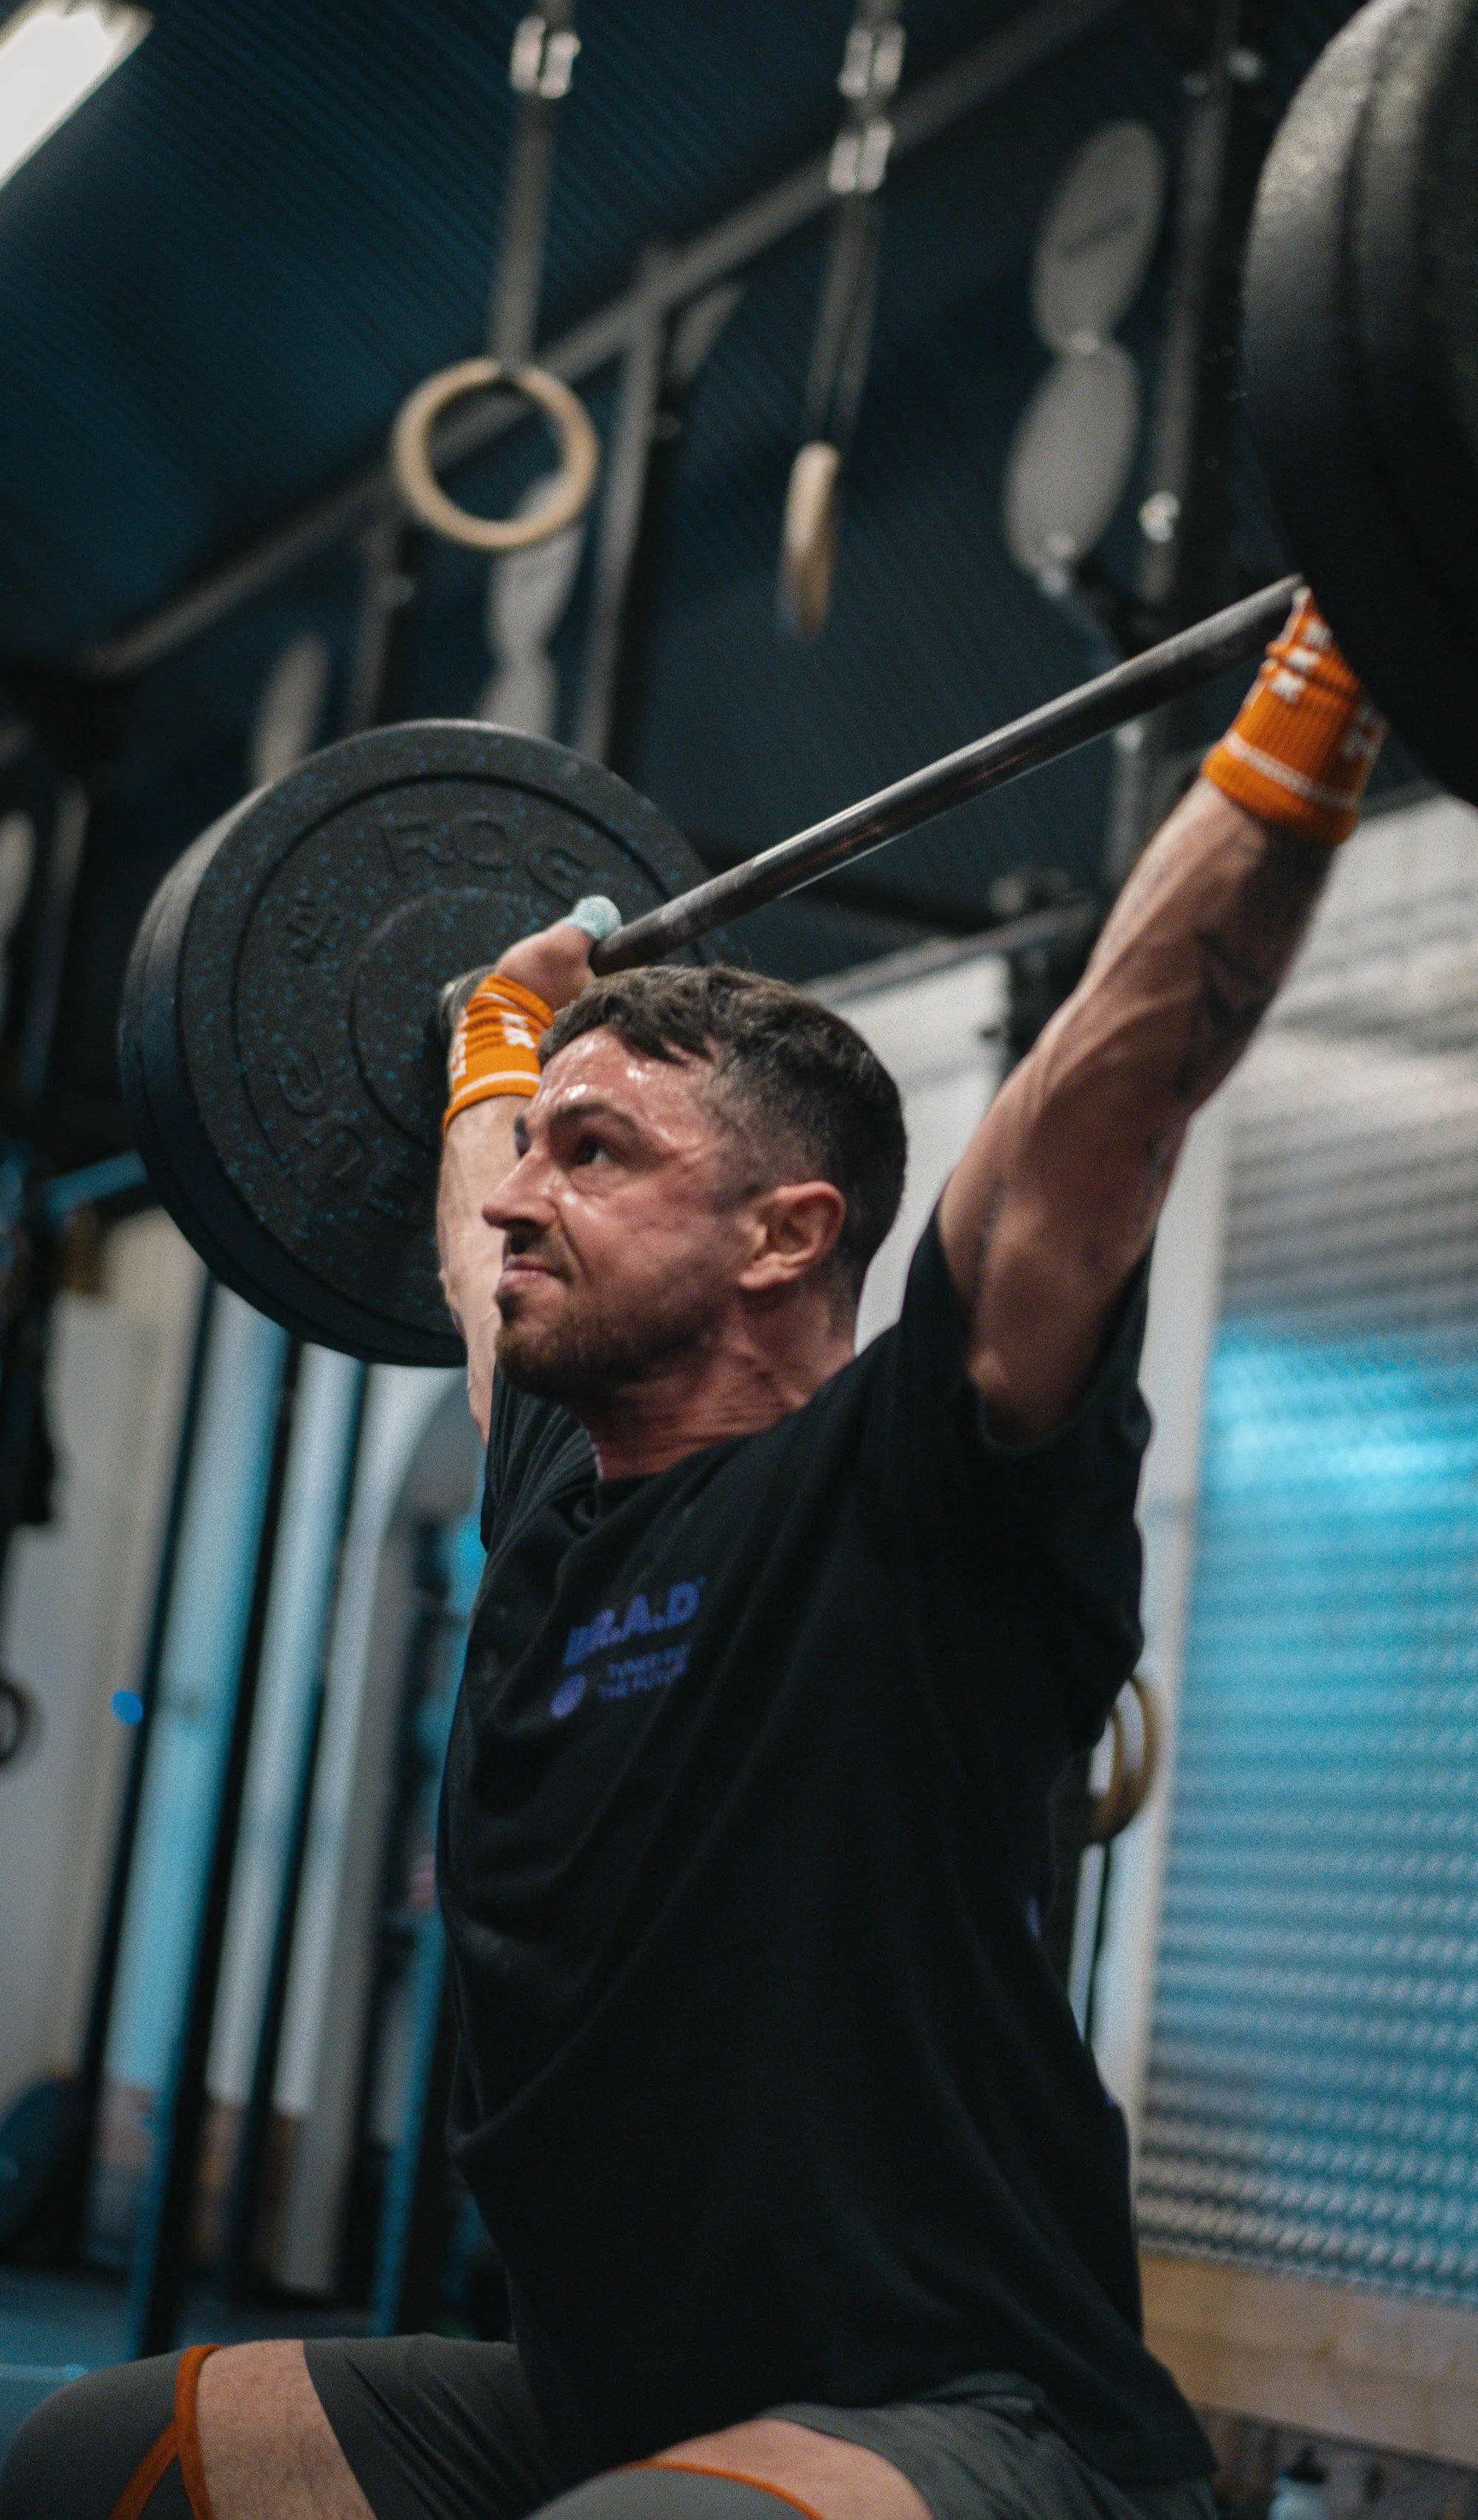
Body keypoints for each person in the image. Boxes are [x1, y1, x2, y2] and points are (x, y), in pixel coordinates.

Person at [1, 597, 1381, 2520]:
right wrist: (493, 1029)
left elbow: (1104, 1104)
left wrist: (1334, 684)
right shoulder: (559, 1485)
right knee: (104, 2459)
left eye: (594, 1156)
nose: (519, 1199)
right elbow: (480, 1222)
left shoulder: (919, 1487)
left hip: (967, 2412)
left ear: (782, 1234)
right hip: (606, 2391)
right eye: (533, 1151)